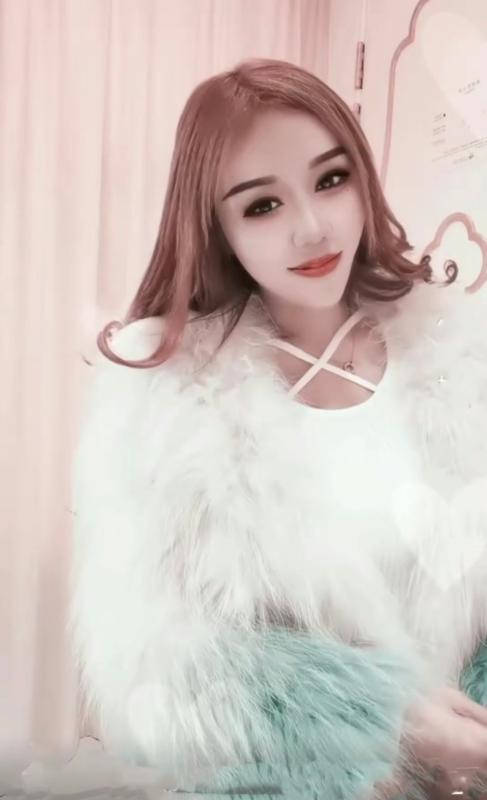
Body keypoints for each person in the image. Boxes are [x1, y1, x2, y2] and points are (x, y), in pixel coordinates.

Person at [67, 58, 487, 800]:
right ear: (217, 228)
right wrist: (388, 717)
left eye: (331, 180)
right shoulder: (166, 402)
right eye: (262, 205)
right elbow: (159, 656)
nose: (312, 227)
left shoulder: (463, 358)